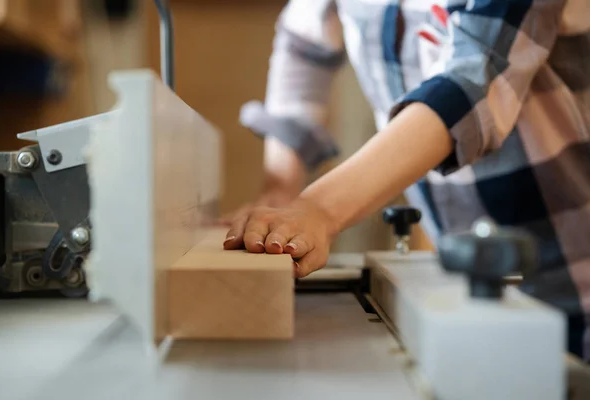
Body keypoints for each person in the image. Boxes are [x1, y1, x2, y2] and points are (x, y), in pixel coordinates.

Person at [222, 0, 590, 361]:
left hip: (576, 283)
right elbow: (304, 45)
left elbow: (468, 87)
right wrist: (280, 190)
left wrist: (319, 208)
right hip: (469, 281)